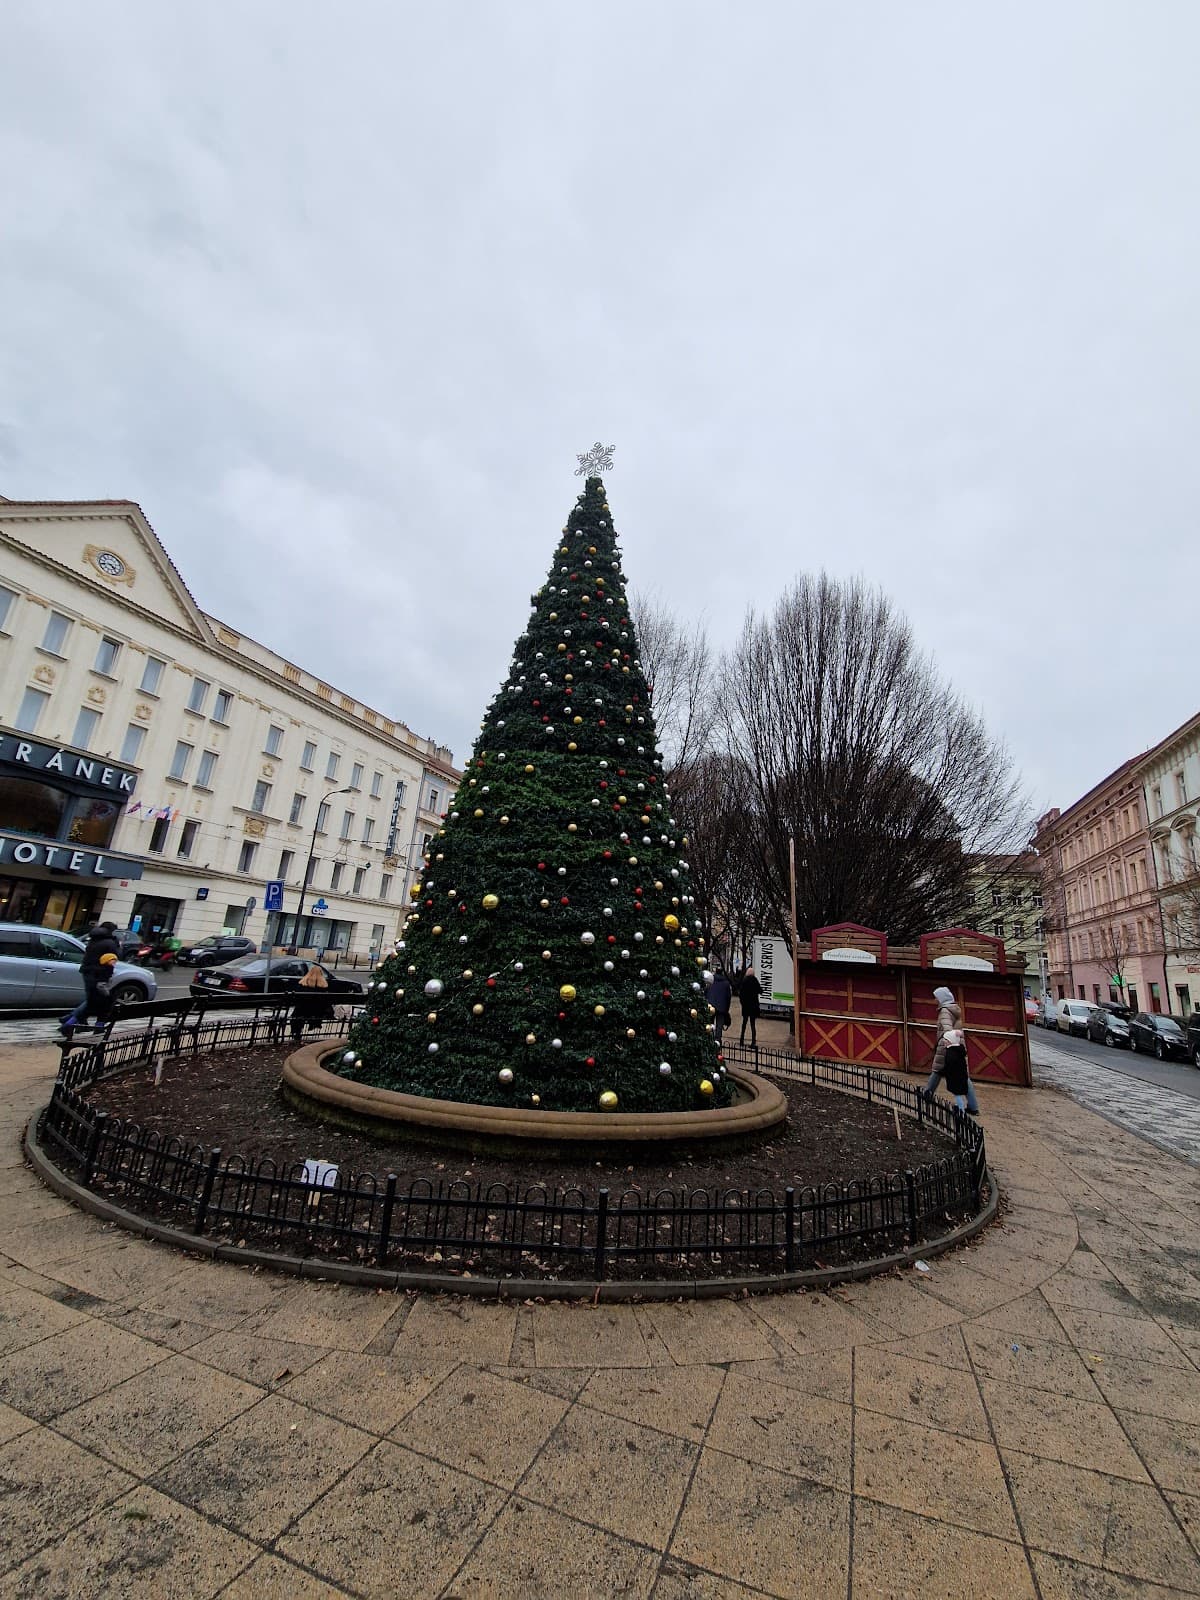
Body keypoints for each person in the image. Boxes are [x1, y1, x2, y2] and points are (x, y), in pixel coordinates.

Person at [924, 984, 979, 1115]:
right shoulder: (954, 1009)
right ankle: (973, 1106)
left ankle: (927, 1095)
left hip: (947, 1047)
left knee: (938, 1071)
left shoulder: (945, 1011)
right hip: (956, 1046)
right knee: (962, 1075)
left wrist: (946, 1043)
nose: (935, 1000)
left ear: (941, 998)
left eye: (936, 997)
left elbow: (947, 1030)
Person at [60, 923, 121, 1036]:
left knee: (92, 1000)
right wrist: (117, 945)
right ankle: (72, 1023)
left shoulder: (94, 940)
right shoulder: (110, 943)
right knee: (103, 1002)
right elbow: (113, 958)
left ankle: (73, 1021)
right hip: (101, 976)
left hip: (88, 973)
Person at [290, 963, 334, 1042]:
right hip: (317, 1012)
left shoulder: (302, 984)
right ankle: (314, 1024)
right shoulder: (323, 987)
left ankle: (296, 1033)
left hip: (302, 1011)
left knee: (297, 1015)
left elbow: (296, 999)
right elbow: (326, 1002)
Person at [941, 1028, 971, 1112]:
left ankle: (961, 1111)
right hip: (961, 1075)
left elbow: (950, 1065)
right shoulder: (958, 1050)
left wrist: (943, 1071)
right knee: (958, 1093)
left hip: (955, 1077)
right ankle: (959, 1107)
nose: (943, 1041)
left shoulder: (951, 1053)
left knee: (957, 1094)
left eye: (945, 1040)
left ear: (950, 1041)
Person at [738, 965, 763, 1048]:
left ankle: (741, 1040)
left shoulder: (744, 981)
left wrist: (742, 1003)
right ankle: (753, 1042)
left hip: (746, 1006)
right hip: (753, 1006)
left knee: (744, 1024)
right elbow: (761, 991)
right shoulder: (755, 980)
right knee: (753, 1024)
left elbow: (741, 994)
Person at [707, 968, 733, 1044]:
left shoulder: (711, 981)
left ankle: (709, 1039)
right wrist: (726, 1009)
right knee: (719, 1025)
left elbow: (706, 992)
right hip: (721, 1007)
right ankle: (717, 1041)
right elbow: (728, 997)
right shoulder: (726, 983)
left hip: (711, 1005)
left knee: (710, 1023)